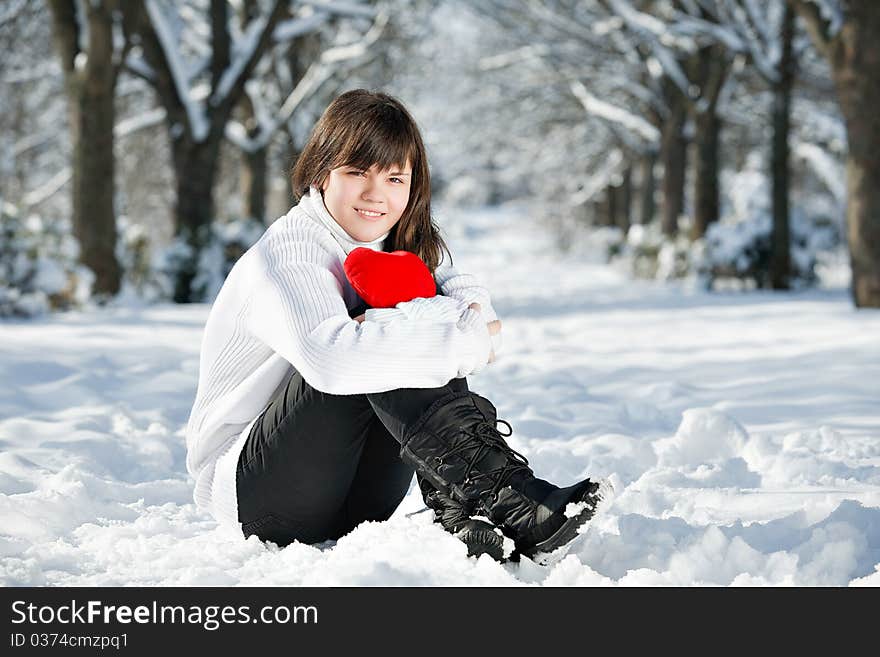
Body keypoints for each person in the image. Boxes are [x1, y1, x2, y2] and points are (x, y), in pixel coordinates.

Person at [184, 89, 605, 563]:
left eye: (394, 178)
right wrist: (452, 333)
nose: (376, 195)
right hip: (259, 497)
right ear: (323, 173)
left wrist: (445, 323)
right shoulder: (290, 252)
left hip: (363, 499)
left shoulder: (395, 245)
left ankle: (462, 509)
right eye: (357, 173)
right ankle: (508, 494)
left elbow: (469, 299)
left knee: (409, 312)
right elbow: (332, 361)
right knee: (384, 335)